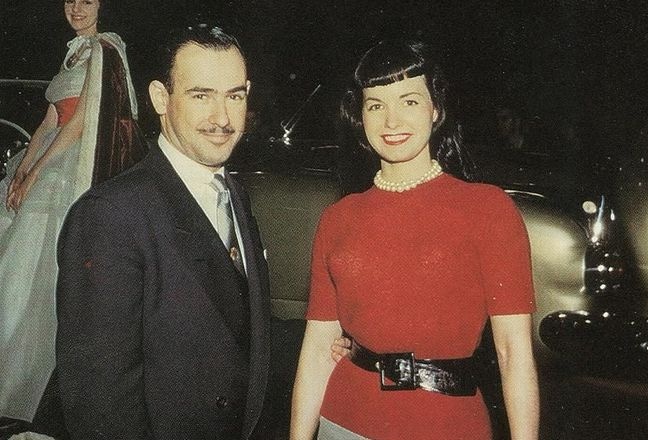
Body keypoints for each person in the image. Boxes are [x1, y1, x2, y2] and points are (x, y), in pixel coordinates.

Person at [291, 40, 539, 440]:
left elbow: (514, 354)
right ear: (360, 117)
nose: (391, 121)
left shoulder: (488, 210)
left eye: (409, 101)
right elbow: (318, 349)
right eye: (376, 105)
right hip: (343, 421)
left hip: (448, 426)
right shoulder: (337, 218)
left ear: (435, 109)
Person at [55, 23, 271, 440]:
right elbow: (100, 401)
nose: (222, 118)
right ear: (160, 98)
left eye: (234, 96)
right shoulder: (110, 215)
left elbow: (237, 332)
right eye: (201, 95)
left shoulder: (234, 195)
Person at [0, 0, 144, 423]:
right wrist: (22, 168)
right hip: (50, 153)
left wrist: (38, 171)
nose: (77, 8)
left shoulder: (106, 49)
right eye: (70, 0)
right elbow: (50, 120)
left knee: (43, 270)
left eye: (87, 0)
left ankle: (33, 380)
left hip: (71, 163)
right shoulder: (72, 53)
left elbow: (81, 121)